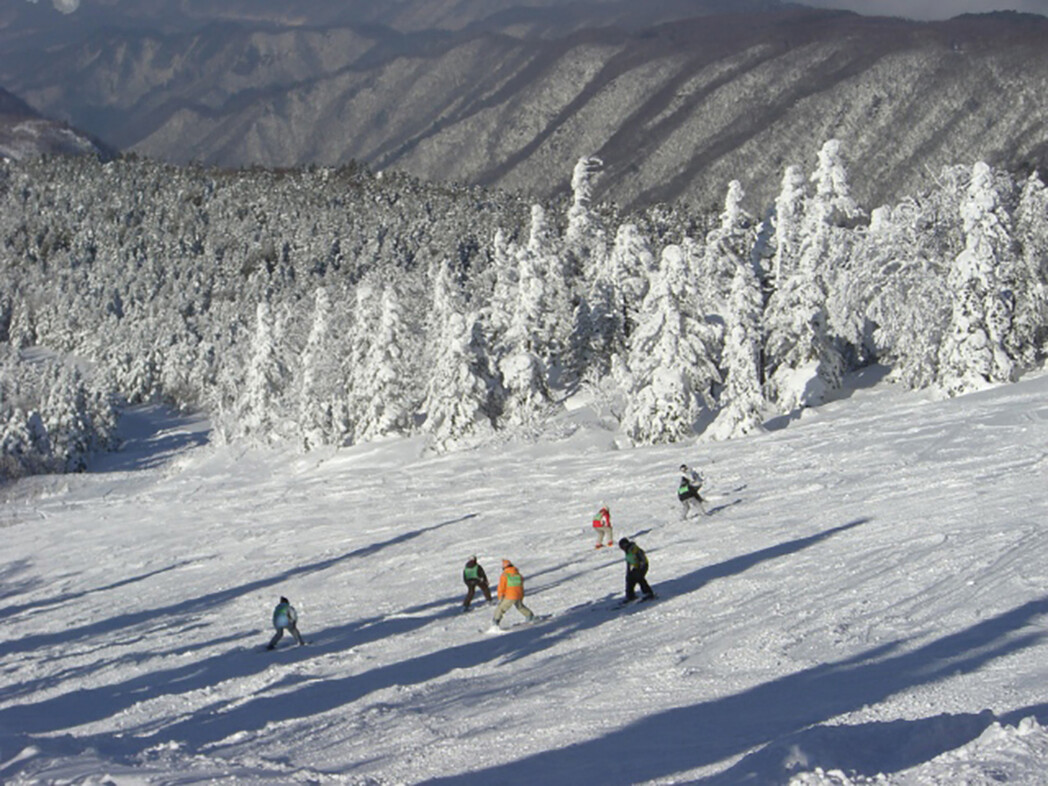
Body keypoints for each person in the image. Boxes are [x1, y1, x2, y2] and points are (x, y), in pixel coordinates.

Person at [492, 559, 535, 627]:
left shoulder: (505, 575)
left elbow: (501, 587)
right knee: (520, 606)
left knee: (501, 608)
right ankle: (529, 616)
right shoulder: (518, 574)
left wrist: (500, 596)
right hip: (518, 594)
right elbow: (520, 584)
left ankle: (495, 621)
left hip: (510, 596)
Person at [618, 537, 655, 602]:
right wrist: (628, 572)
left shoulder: (633, 548)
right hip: (636, 567)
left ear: (625, 544)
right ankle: (630, 596)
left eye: (622, 547)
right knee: (630, 579)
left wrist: (641, 566)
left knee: (639, 578)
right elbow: (629, 562)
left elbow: (641, 556)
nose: (622, 549)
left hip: (642, 565)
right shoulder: (627, 551)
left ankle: (648, 593)